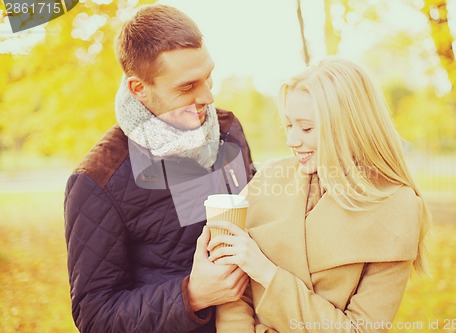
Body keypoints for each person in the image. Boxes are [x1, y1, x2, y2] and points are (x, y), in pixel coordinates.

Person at [64, 4, 255, 333]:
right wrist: (191, 296)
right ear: (139, 88)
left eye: (208, 77)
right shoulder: (98, 180)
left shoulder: (227, 128)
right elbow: (94, 316)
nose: (208, 97)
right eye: (187, 87)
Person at [208, 57, 430, 333]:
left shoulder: (397, 207)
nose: (291, 141)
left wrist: (266, 272)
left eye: (307, 128)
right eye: (289, 125)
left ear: (349, 127)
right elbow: (233, 291)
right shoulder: (269, 177)